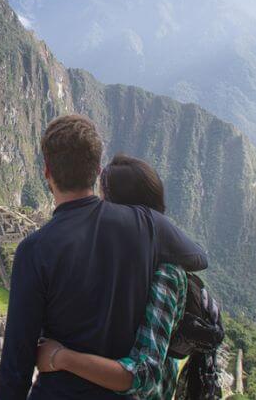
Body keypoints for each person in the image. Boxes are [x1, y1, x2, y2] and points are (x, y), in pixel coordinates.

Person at [0, 115, 207, 399]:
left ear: (47, 172)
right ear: (97, 171)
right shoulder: (146, 225)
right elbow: (197, 257)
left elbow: (17, 362)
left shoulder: (34, 250)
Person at [36, 154, 190, 399]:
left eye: (103, 200)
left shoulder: (165, 272)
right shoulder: (110, 256)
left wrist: (61, 358)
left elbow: (146, 374)